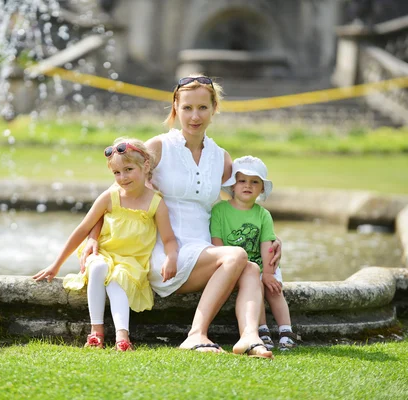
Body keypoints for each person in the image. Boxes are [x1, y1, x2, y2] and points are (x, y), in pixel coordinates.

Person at [82, 75, 282, 358]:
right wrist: (93, 237)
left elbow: (242, 203)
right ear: (175, 108)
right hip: (165, 256)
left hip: (204, 253)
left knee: (249, 267)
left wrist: (269, 235)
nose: (195, 116)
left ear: (214, 109)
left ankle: (249, 338)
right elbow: (116, 195)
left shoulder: (222, 158)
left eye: (202, 107)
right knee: (237, 256)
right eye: (187, 108)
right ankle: (196, 335)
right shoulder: (159, 147)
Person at [33, 138, 178, 352]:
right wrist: (56, 264)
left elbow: (169, 240)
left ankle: (122, 337)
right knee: (99, 267)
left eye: (128, 170)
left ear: (145, 165)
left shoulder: (156, 203)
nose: (122, 177)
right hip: (103, 253)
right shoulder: (110, 197)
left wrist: (171, 257)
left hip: (131, 262)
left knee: (117, 279)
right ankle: (96, 332)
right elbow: (82, 229)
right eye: (117, 173)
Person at [210, 155, 297, 351]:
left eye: (254, 182)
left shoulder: (262, 214)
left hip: (264, 263)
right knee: (254, 286)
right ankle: (262, 330)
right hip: (237, 265)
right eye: (242, 181)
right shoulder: (219, 211)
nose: (247, 185)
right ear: (232, 185)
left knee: (274, 290)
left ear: (261, 188)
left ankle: (286, 331)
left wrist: (268, 273)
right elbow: (218, 245)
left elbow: (268, 245)